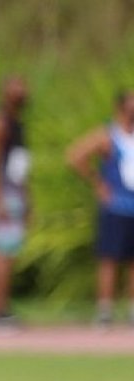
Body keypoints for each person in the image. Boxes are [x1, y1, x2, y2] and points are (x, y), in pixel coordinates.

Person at [67, 89, 134, 327]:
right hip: (116, 206)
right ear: (121, 106)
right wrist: (99, 185)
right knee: (110, 258)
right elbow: (75, 155)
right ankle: (105, 309)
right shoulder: (108, 134)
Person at [0, 76, 31, 328]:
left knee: (10, 253)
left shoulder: (16, 122)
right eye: (16, 85)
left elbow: (19, 165)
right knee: (2, 252)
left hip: (15, 194)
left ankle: (4, 308)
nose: (22, 90)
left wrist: (27, 198)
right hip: (4, 196)